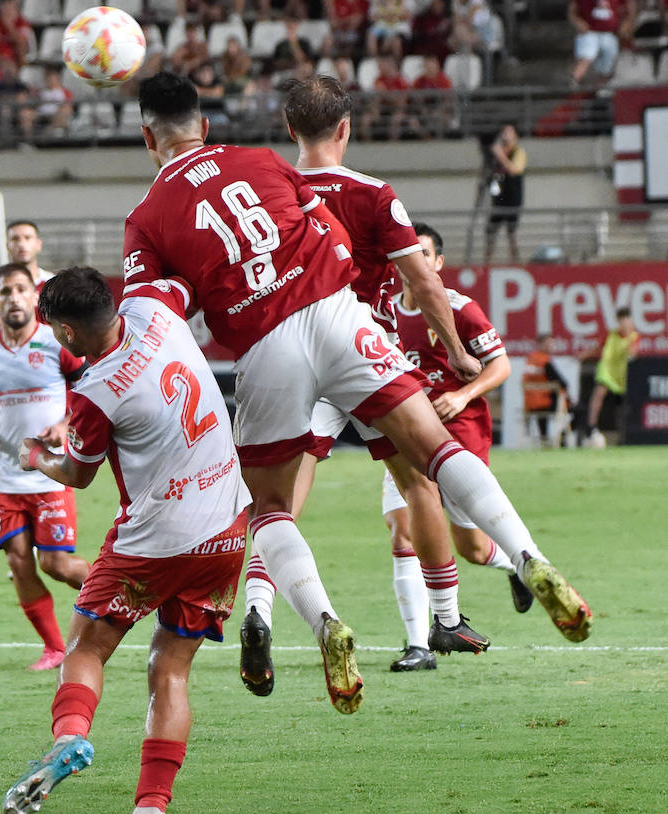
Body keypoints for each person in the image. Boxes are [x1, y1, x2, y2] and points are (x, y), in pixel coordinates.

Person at [124, 73, 592, 711]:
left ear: (147, 138)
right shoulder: (259, 163)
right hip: (344, 317)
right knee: (430, 452)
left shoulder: (145, 218)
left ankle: (323, 623)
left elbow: (151, 324)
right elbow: (333, 238)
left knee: (270, 507)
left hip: (266, 344)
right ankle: (526, 557)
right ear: (204, 127)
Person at [238, 75, 520, 689]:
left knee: (276, 505)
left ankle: (258, 610)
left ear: (290, 130)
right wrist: (457, 355)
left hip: (287, 356)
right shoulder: (372, 192)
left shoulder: (263, 191)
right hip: (360, 351)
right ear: (346, 129)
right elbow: (423, 283)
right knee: (420, 476)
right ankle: (446, 616)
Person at [1, 267, 251, 814]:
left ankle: (69, 739)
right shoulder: (158, 313)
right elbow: (175, 275)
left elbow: (78, 475)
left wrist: (39, 456)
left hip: (156, 539)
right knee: (171, 669)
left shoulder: (95, 391)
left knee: (88, 646)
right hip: (227, 529)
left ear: (64, 332)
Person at [384, 223, 530, 670]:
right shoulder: (384, 312)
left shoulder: (459, 309)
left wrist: (464, 395)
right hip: (405, 435)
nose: (417, 263)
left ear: (439, 263)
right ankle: (418, 646)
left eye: (425, 255)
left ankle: (514, 566)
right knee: (401, 530)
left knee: (468, 546)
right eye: (410, 255)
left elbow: (501, 364)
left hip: (457, 435)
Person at [0, 263, 91, 670]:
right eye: (5, 291)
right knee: (18, 560)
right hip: (3, 475)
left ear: (34, 298)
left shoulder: (56, 342)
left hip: (49, 471)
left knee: (55, 564)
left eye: (21, 290)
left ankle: (122, 593)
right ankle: (55, 648)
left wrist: (64, 424)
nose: (13, 298)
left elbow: (89, 386)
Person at [580, 307, 639, 447]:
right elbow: (598, 348)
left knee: (624, 405)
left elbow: (633, 354)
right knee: (599, 393)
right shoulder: (611, 335)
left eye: (627, 320)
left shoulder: (634, 337)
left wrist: (629, 341)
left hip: (622, 375)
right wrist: (584, 355)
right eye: (622, 320)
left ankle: (628, 432)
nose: (624, 323)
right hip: (607, 371)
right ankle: (591, 426)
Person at [485, 123, 526, 264]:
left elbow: (514, 170)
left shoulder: (519, 152)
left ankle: (515, 262)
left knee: (512, 233)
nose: (506, 136)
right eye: (504, 132)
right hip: (498, 199)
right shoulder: (498, 154)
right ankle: (487, 262)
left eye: (509, 132)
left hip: (513, 198)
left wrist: (500, 154)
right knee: (491, 230)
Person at [523, 333, 573, 447]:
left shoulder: (530, 360)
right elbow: (562, 382)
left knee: (545, 415)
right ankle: (562, 438)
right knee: (575, 410)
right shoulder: (545, 361)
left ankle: (545, 439)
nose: (551, 346)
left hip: (530, 403)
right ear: (540, 345)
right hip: (545, 401)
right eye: (549, 344)